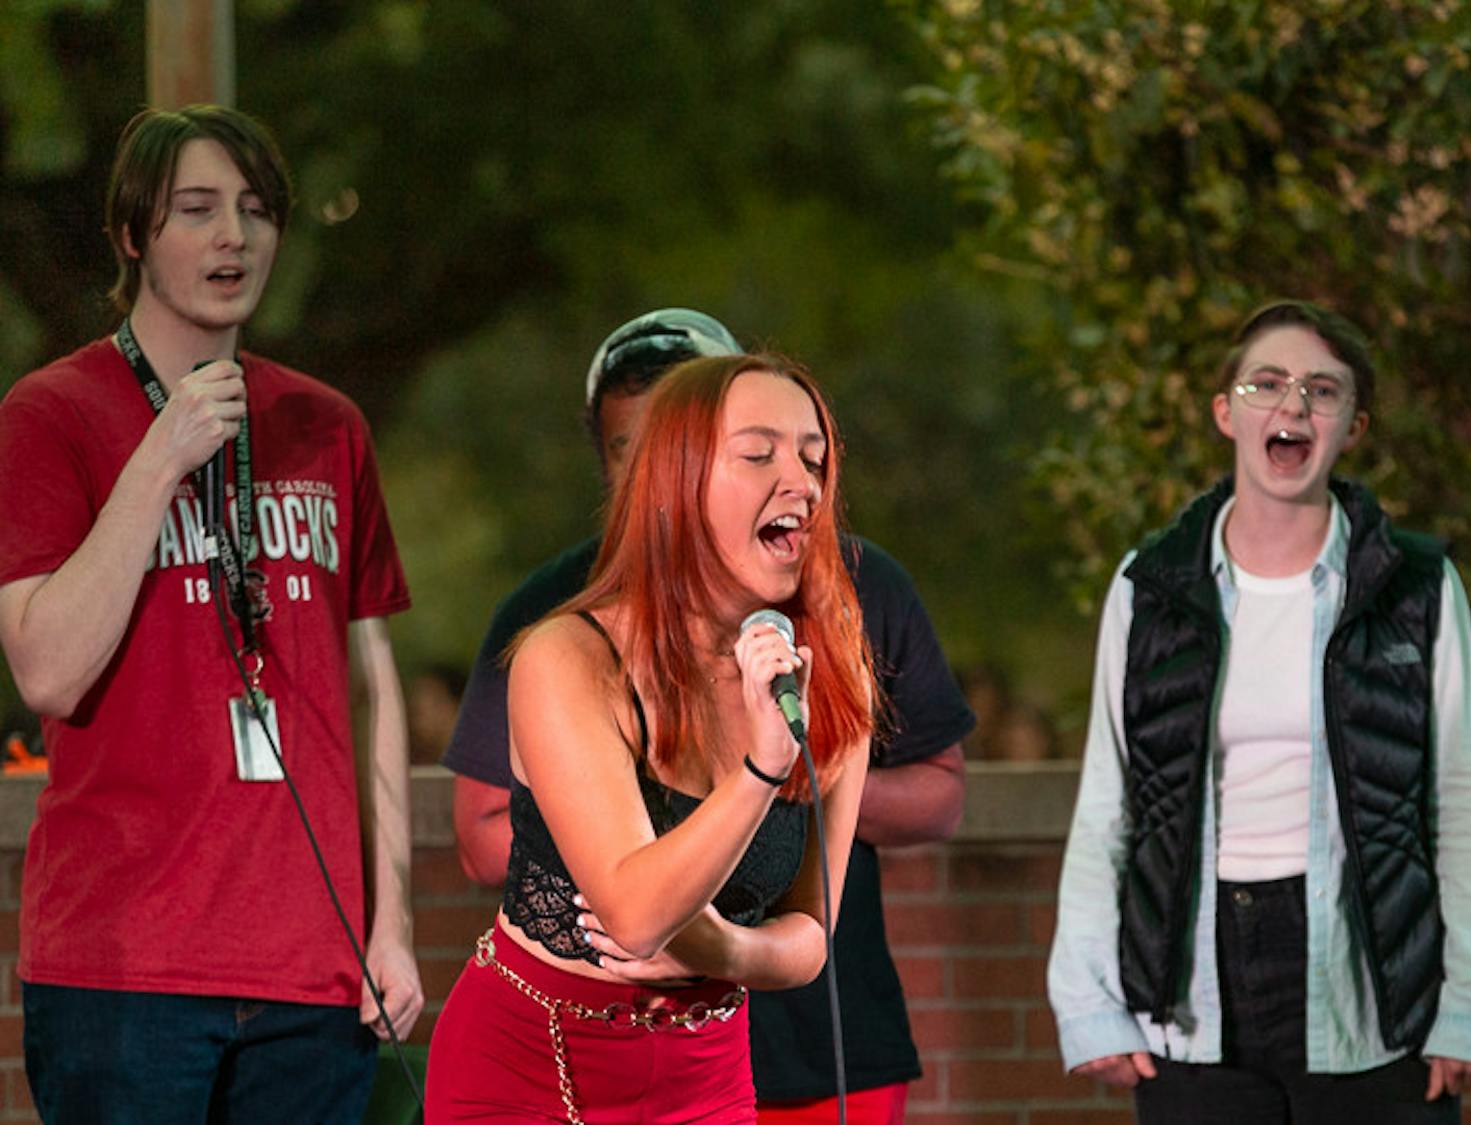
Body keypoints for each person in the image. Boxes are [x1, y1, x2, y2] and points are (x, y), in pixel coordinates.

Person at [441, 309, 973, 1120]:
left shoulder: (833, 671)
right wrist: (761, 769)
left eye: (813, 457)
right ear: (673, 480)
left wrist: (733, 950)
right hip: (535, 1060)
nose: (799, 480)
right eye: (758, 454)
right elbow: (635, 911)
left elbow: (810, 927)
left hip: (706, 1068)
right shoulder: (567, 655)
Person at [0, 105, 422, 1123]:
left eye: (257, 210)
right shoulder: (49, 415)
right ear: (133, 235)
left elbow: (371, 687)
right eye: (197, 209)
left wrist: (391, 918)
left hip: (314, 966)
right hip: (123, 969)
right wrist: (160, 459)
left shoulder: (327, 426)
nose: (235, 235)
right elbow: (47, 671)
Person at [1047, 299, 1471, 1123]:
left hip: (1374, 985)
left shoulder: (1417, 587)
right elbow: (1111, 803)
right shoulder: (1148, 588)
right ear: (1227, 412)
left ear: (1351, 426)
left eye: (1322, 391)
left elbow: (1470, 804)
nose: (1293, 404)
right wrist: (1088, 998)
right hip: (1192, 988)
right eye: (1268, 383)